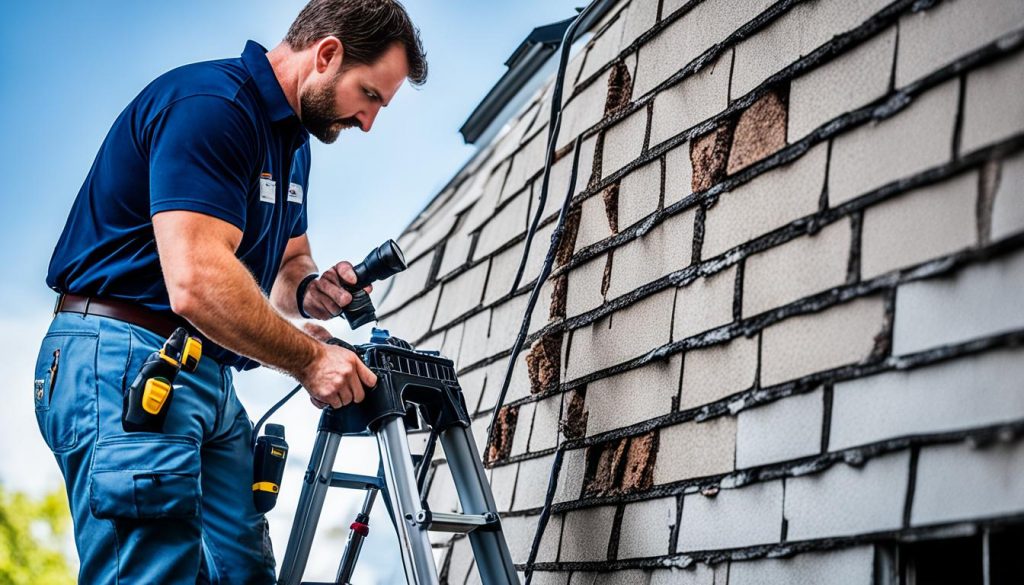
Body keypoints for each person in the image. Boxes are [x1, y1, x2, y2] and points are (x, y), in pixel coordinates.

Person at [33, 0, 427, 582]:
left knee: (243, 571)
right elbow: (196, 282)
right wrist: (311, 360)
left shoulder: (293, 142)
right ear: (327, 55)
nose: (368, 121)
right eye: (369, 96)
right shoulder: (214, 108)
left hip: (205, 372)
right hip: (124, 359)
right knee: (152, 571)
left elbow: (290, 262)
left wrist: (312, 290)